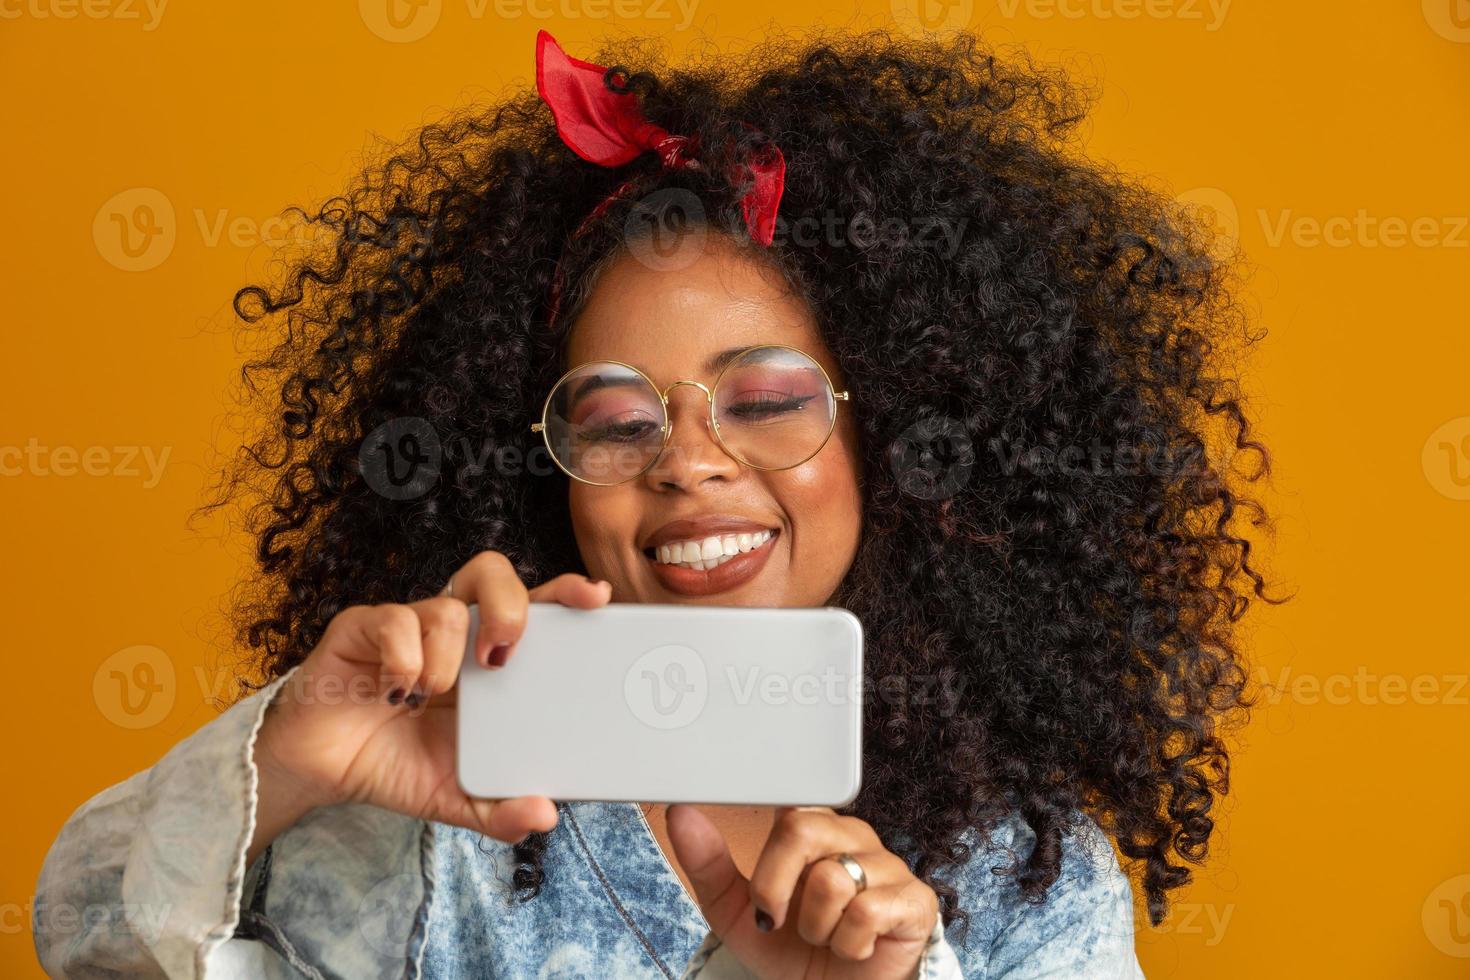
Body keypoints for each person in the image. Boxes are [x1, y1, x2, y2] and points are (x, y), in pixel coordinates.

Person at [33, 25, 1273, 979]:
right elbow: (83, 944)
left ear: (887, 428)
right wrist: (284, 761)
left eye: (769, 398)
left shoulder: (1028, 874)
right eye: (619, 420)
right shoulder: (430, 800)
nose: (687, 460)